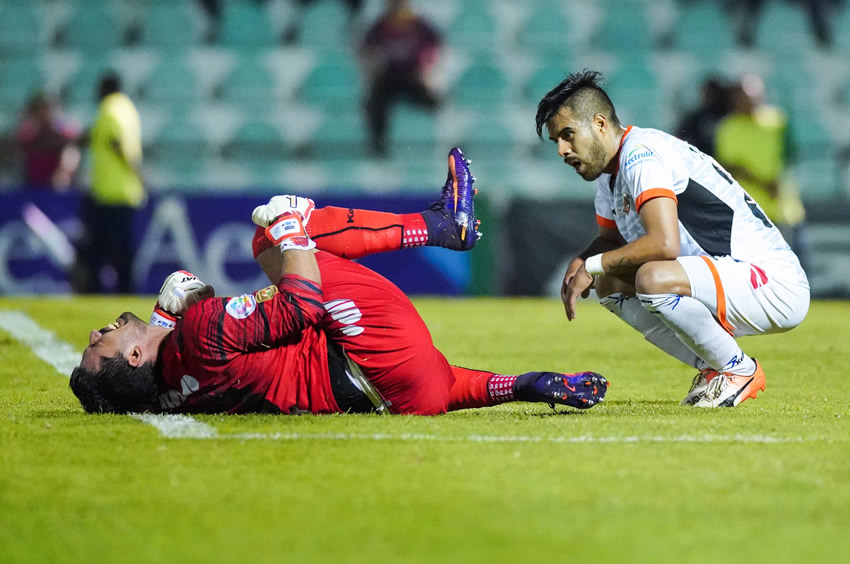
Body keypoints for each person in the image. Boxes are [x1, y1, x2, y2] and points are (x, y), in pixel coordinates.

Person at [69, 148, 608, 416]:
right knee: (271, 242)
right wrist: (290, 233)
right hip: (369, 359)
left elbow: (176, 369)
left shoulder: (161, 397)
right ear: (133, 359)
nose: (97, 334)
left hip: (406, 396)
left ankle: (530, 383)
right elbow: (301, 307)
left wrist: (527, 384)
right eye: (100, 347)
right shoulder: (202, 330)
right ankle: (444, 226)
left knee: (436, 378)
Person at [535, 70, 810, 408]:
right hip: (728, 276)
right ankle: (716, 369)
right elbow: (611, 240)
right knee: (611, 284)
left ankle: (738, 370)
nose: (562, 150)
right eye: (556, 142)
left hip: (772, 281)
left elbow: (665, 245)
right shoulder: (611, 176)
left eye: (568, 135)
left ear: (600, 124)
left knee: (653, 278)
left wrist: (592, 264)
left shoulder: (642, 156)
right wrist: (583, 261)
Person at [714, 73, 809, 272]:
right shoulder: (728, 127)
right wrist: (762, 183)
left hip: (784, 207)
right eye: (744, 96)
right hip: (748, 211)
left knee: (796, 268)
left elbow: (791, 153)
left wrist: (779, 180)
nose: (750, 101)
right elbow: (729, 166)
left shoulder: (778, 121)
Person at [79, 71, 144, 294]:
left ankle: (97, 290)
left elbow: (117, 143)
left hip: (108, 192)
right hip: (126, 191)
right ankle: (126, 290)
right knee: (123, 249)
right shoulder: (129, 109)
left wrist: (135, 170)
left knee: (99, 249)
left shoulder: (109, 109)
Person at [359, 0, 442, 157]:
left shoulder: (419, 25)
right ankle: (378, 146)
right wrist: (372, 65)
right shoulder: (381, 25)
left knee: (435, 103)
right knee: (375, 106)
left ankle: (436, 144)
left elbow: (435, 46)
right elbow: (365, 48)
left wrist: (428, 69)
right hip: (388, 75)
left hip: (413, 75)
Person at [16, 92, 81, 191]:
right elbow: (22, 144)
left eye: (46, 109)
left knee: (71, 152)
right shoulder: (29, 129)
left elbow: (75, 140)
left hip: (55, 183)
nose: (43, 113)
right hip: (33, 182)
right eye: (40, 110)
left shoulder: (62, 128)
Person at [674, 76, 732, 156]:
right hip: (702, 161)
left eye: (713, 93)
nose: (709, 96)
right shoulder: (697, 117)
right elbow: (681, 136)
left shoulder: (730, 117)